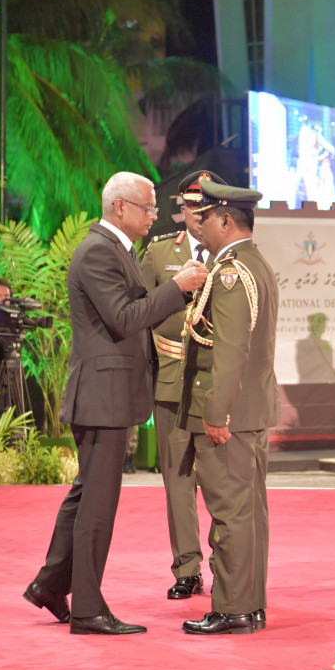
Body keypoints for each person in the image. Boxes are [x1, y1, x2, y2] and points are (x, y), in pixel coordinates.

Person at [23, 171, 207, 636]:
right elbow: (125, 319)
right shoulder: (98, 251)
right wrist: (178, 287)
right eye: (147, 207)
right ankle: (86, 608)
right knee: (97, 507)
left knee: (85, 496)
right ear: (119, 207)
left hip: (109, 394)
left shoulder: (116, 249)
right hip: (101, 396)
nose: (154, 215)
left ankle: (50, 585)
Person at [179, 175, 278, 636]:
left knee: (231, 514)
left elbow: (231, 350)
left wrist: (215, 414)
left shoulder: (232, 272)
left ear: (225, 219)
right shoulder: (255, 263)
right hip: (252, 411)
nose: (198, 224)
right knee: (250, 512)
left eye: (205, 217)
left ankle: (233, 608)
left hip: (230, 415)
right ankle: (250, 604)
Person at [140, 169, 220, 602]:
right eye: (191, 206)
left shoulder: (232, 257)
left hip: (216, 386)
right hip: (171, 381)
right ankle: (187, 568)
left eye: (204, 208)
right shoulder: (156, 255)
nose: (196, 214)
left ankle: (226, 566)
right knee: (178, 480)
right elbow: (137, 314)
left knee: (221, 482)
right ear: (181, 209)